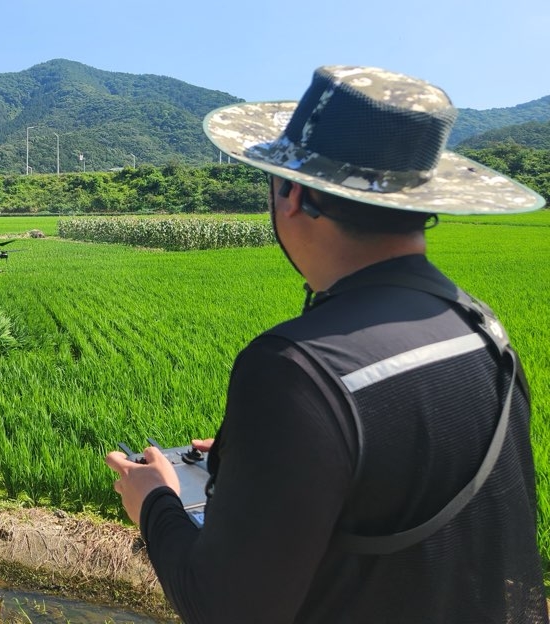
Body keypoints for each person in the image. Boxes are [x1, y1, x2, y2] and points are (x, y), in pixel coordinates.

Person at [105, 66, 548, 623]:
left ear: (292, 193)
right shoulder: (481, 328)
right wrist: (284, 454)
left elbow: (224, 609)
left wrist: (155, 503)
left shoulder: (295, 368)